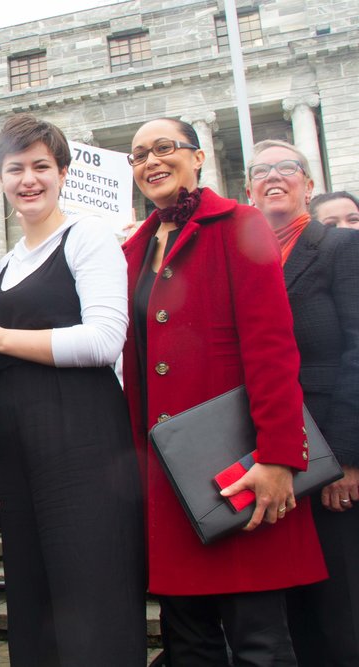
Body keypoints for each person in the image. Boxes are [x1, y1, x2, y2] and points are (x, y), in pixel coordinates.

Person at [0, 114, 145, 666]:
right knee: (35, 599)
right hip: (20, 439)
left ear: (62, 173)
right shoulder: (4, 264)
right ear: (1, 178)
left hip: (83, 436)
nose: (28, 179)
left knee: (91, 591)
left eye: (40, 167)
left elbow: (105, 339)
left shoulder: (88, 236)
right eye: (15, 169)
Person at [121, 118, 327, 664]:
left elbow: (272, 346)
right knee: (188, 644)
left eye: (164, 148)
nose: (150, 162)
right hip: (168, 476)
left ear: (197, 157)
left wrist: (280, 455)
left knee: (258, 639)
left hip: (241, 466)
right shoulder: (134, 248)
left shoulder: (242, 223)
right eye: (139, 155)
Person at [247, 140, 359, 666]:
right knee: (290, 607)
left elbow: (356, 354)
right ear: (248, 190)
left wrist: (347, 459)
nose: (274, 176)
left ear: (308, 187)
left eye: (287, 168)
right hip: (270, 455)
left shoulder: (339, 249)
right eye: (261, 171)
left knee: (340, 606)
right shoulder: (245, 259)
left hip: (329, 454)